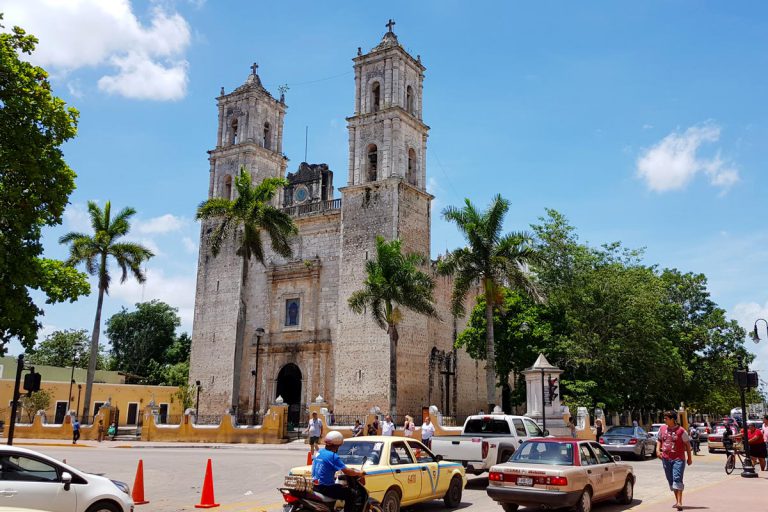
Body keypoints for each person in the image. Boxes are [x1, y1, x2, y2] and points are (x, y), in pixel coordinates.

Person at [312, 431, 365, 512]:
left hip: (315, 485)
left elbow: (323, 468)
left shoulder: (320, 452)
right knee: (351, 494)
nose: (338, 448)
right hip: (326, 488)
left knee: (339, 487)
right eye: (338, 446)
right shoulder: (333, 456)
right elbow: (347, 471)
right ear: (336, 445)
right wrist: (359, 473)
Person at [656, 410, 693, 511]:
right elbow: (659, 440)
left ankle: (680, 502)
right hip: (666, 459)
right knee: (671, 480)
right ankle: (677, 501)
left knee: (677, 478)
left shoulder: (681, 431)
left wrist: (689, 458)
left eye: (666, 418)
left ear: (672, 419)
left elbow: (687, 444)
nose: (664, 420)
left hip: (678, 459)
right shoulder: (662, 428)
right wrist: (657, 450)